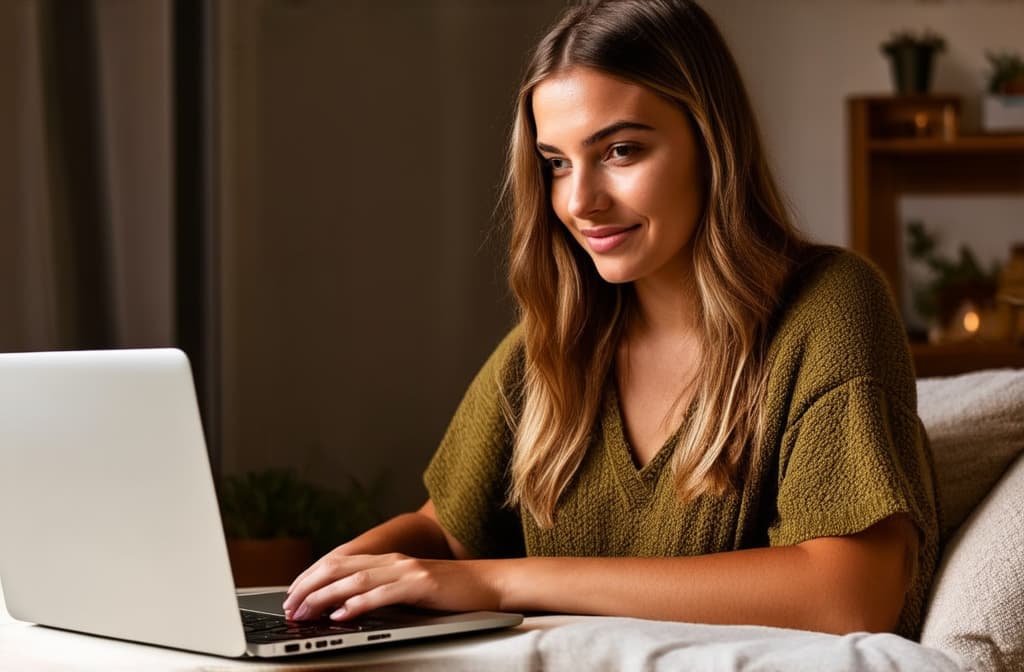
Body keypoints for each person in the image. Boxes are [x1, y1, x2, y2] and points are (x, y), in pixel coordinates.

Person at [284, 0, 939, 638]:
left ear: (712, 143)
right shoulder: (551, 345)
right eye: (556, 163)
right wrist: (332, 582)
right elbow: (444, 530)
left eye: (621, 151)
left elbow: (849, 594)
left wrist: (502, 583)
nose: (580, 202)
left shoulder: (830, 305)